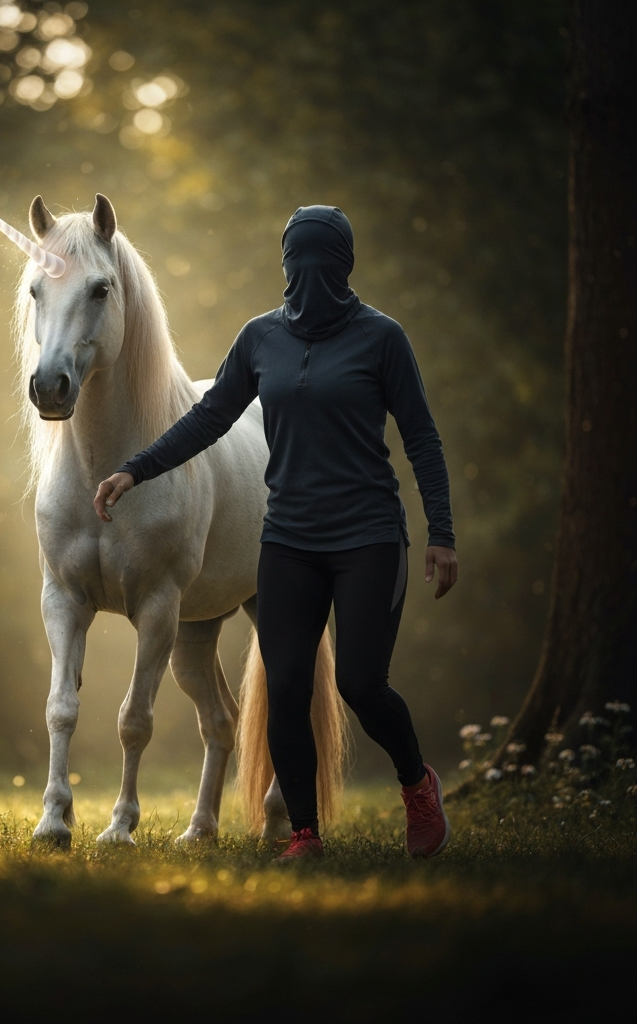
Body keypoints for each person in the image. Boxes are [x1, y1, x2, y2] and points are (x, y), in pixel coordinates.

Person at [93, 206, 458, 861]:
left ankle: (416, 784)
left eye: (323, 260)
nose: (309, 273)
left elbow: (423, 438)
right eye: (299, 259)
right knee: (287, 683)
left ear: (345, 265)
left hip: (368, 535)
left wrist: (442, 534)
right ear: (285, 264)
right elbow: (208, 419)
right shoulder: (261, 338)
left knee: (359, 685)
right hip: (288, 538)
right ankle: (305, 833)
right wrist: (136, 469)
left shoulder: (382, 338)